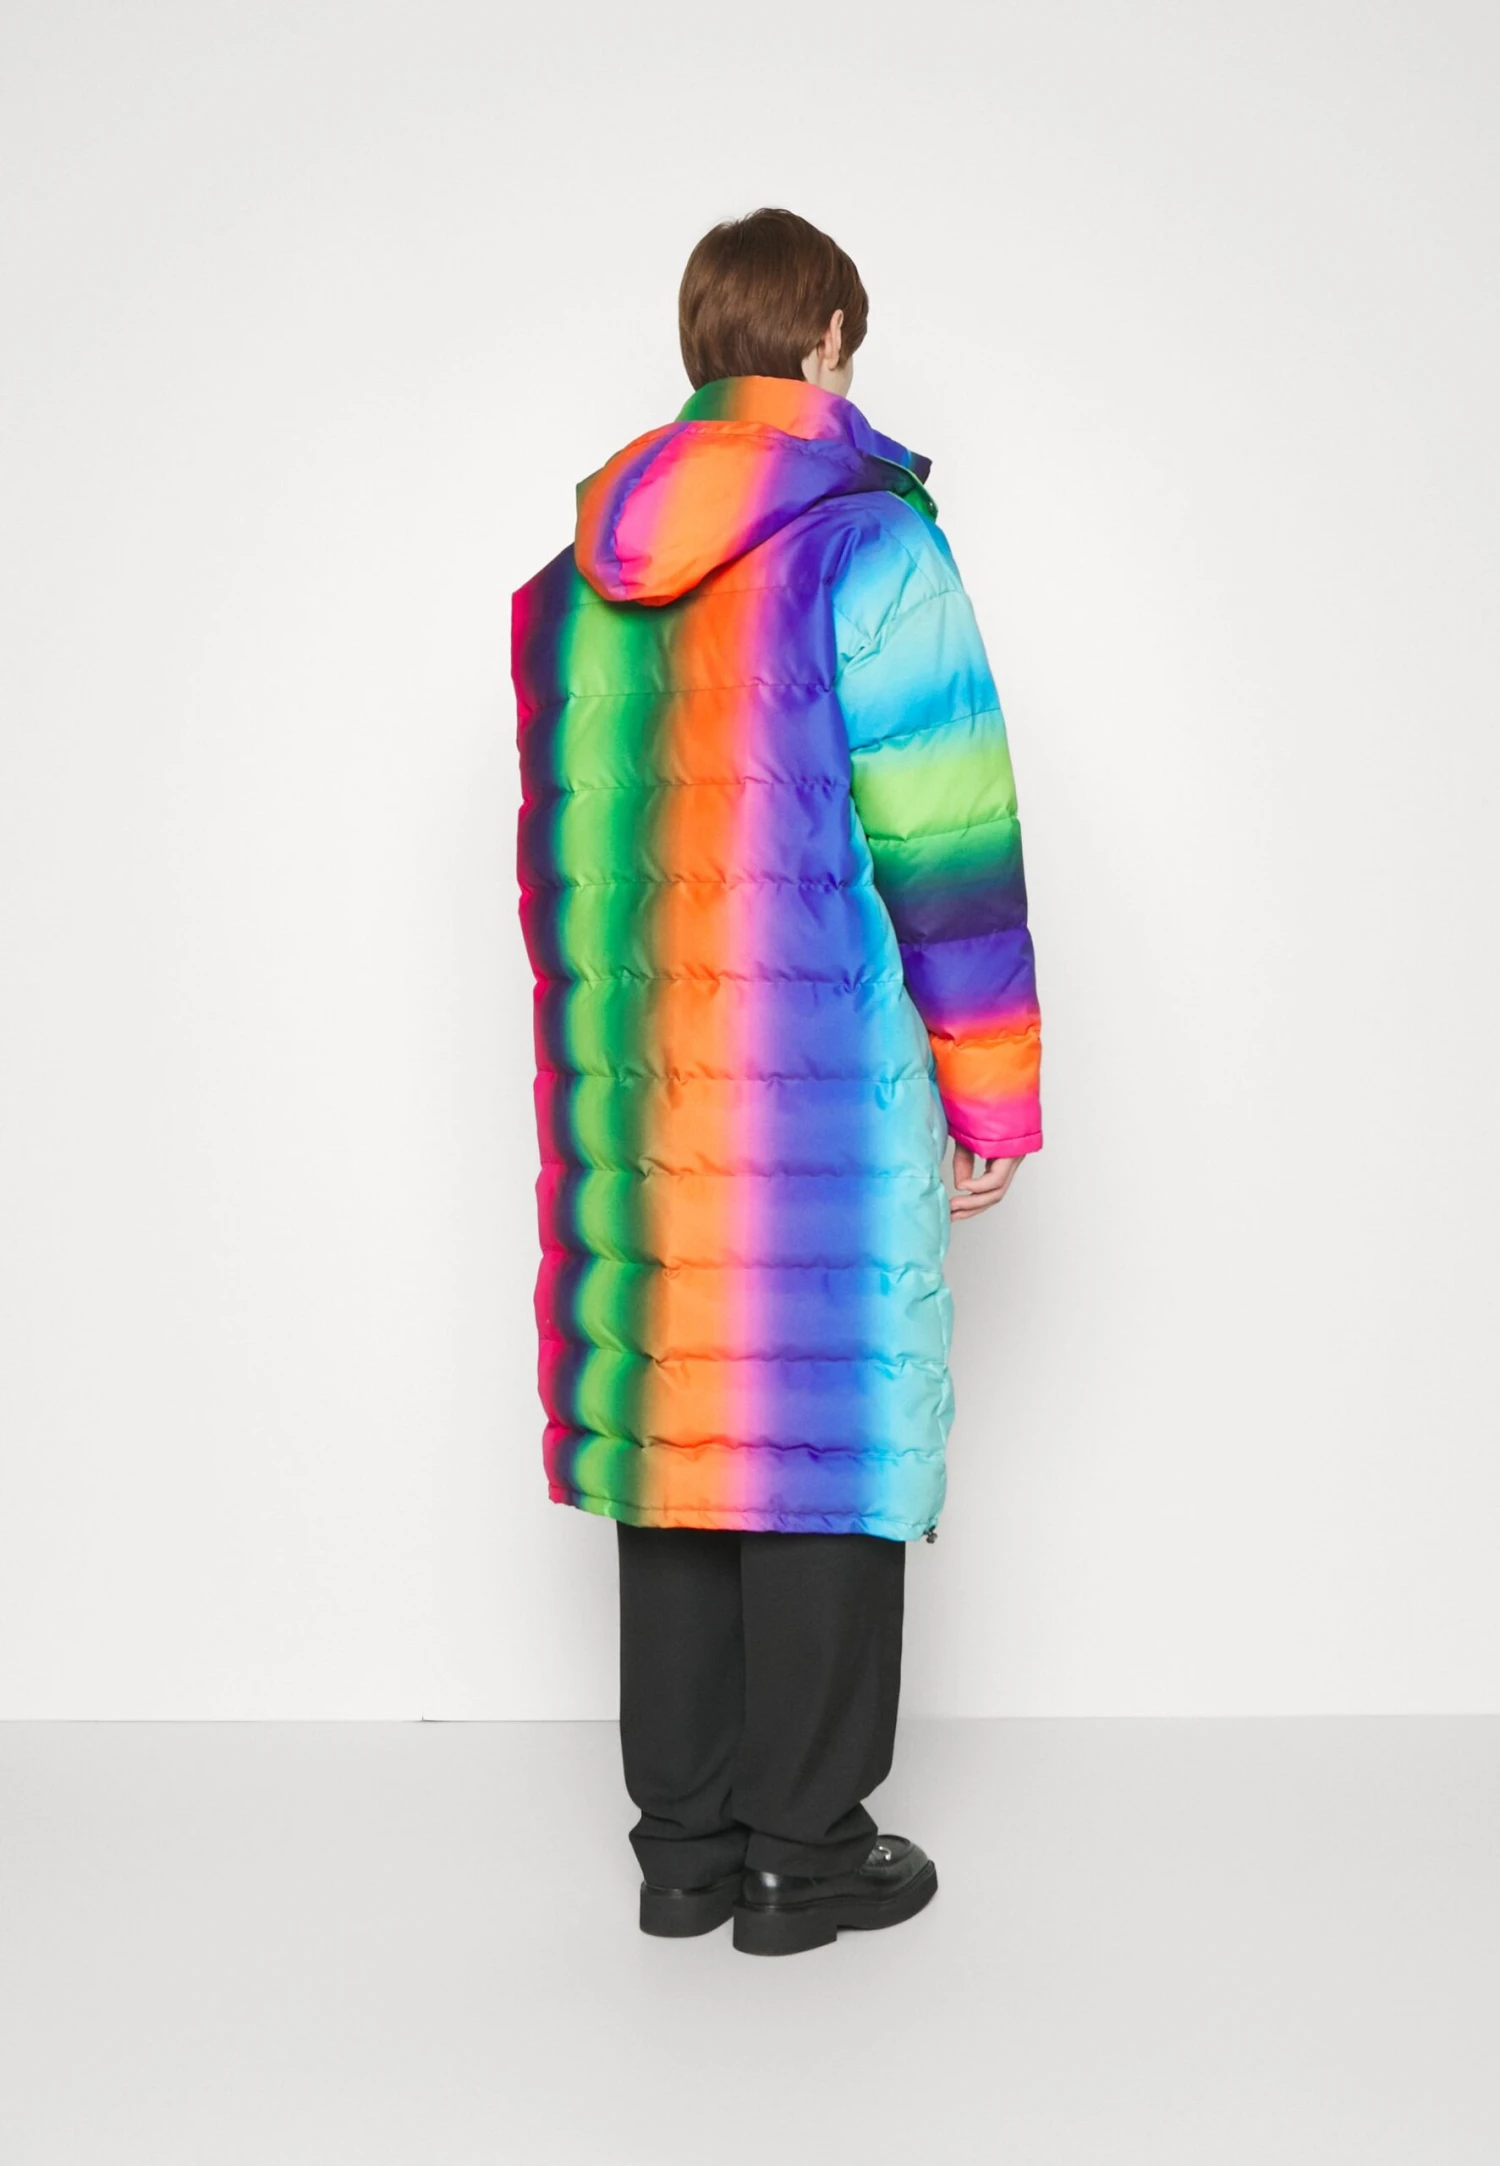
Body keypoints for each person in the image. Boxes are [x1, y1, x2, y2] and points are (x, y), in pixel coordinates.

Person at [512, 208, 1042, 1957]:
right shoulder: (868, 545)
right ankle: (802, 1853)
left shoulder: (578, 579)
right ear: (821, 343)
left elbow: (576, 857)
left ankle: (682, 1845)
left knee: (674, 1426)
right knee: (821, 1427)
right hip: (813, 1098)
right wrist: (990, 1090)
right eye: (846, 341)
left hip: (635, 1102)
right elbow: (947, 836)